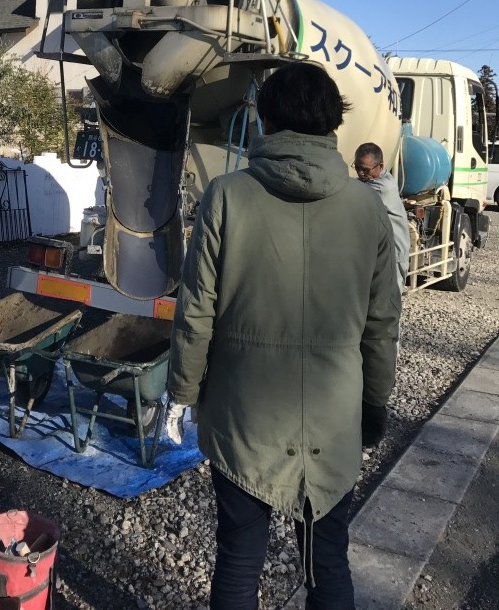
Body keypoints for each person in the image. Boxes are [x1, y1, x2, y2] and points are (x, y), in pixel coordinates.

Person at [165, 62, 401, 610]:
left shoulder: (226, 195)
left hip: (242, 418)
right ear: (333, 123)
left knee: (238, 559)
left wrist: (183, 392)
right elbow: (382, 323)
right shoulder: (368, 208)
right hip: (332, 421)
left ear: (265, 121)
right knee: (327, 563)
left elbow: (195, 311)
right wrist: (374, 403)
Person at [353, 142, 410, 292]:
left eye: (365, 169)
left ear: (381, 166)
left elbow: (352, 190)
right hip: (381, 253)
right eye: (357, 168)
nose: (361, 173)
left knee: (390, 298)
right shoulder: (374, 179)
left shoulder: (383, 187)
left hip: (394, 255)